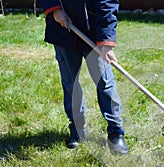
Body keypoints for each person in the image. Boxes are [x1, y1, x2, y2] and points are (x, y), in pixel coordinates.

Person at [37, 0, 128, 154]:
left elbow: (107, 2)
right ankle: (78, 128)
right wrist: (54, 9)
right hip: (63, 29)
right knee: (70, 82)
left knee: (104, 82)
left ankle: (115, 132)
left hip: (94, 32)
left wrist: (106, 40)